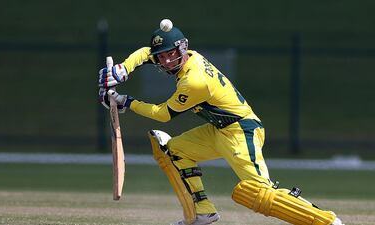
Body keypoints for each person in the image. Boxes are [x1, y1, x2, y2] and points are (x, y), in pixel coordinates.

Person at [98, 19, 344, 225]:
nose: (166, 61)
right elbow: (144, 53)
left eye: (171, 54)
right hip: (219, 130)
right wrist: (122, 69)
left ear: (183, 49)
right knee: (174, 151)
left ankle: (327, 221)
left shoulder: (194, 81)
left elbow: (163, 114)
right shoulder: (183, 59)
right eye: (161, 57)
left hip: (241, 131)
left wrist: (126, 102)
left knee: (258, 192)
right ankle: (202, 212)